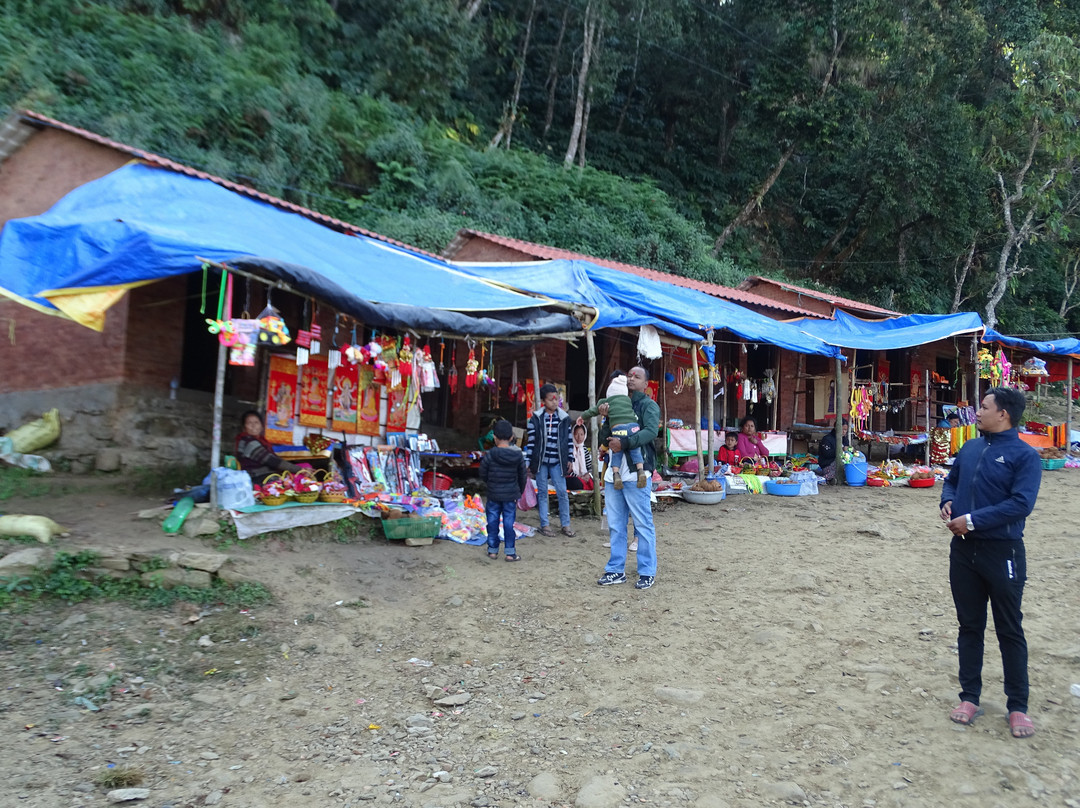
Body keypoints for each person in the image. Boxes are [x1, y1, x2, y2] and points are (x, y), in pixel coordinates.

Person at [940, 387, 1042, 738]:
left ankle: (1018, 706)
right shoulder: (970, 447)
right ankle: (969, 697)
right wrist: (948, 502)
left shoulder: (1025, 456)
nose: (977, 412)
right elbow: (951, 482)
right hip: (964, 552)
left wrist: (972, 520)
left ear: (1004, 414)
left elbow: (1021, 504)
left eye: (983, 407)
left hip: (1003, 552)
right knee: (969, 626)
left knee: (1009, 628)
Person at [596, 365, 659, 590]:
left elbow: (651, 432)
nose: (631, 378)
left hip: (637, 472)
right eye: (629, 375)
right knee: (615, 524)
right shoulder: (615, 403)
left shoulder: (649, 405)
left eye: (637, 376)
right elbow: (605, 438)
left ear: (645, 384)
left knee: (642, 524)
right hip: (614, 474)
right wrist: (605, 419)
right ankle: (615, 570)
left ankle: (646, 571)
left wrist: (625, 443)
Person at [523, 384, 576, 537]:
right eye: (551, 399)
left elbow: (569, 440)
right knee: (542, 493)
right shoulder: (536, 418)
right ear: (543, 401)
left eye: (556, 399)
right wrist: (528, 462)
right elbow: (531, 442)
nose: (554, 402)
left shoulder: (564, 418)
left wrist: (570, 458)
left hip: (557, 462)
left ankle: (565, 525)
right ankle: (545, 525)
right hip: (541, 462)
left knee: (562, 493)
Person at [577, 374, 646, 489]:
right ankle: (640, 470)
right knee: (635, 449)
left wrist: (582, 417)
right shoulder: (628, 400)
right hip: (634, 427)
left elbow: (593, 411)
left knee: (616, 450)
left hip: (619, 429)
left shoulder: (606, 402)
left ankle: (616, 474)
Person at [478, 419, 527, 562]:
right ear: (512, 437)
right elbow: (522, 476)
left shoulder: (491, 454)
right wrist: (519, 491)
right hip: (510, 495)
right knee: (508, 523)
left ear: (494, 437)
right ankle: (510, 553)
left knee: (492, 522)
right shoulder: (518, 455)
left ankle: (492, 551)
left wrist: (491, 483)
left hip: (493, 494)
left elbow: (482, 472)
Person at [235, 411, 302, 483]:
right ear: (244, 428)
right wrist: (300, 470)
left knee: (304, 468)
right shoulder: (249, 442)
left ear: (261, 426)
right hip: (257, 478)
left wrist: (299, 469)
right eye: (249, 423)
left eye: (256, 422)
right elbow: (272, 461)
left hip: (265, 475)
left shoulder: (261, 440)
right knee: (297, 479)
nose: (253, 426)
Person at [565, 423, 594, 491]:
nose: (579, 437)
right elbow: (566, 469)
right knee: (576, 483)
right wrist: (579, 477)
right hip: (572, 477)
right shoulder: (568, 449)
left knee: (595, 481)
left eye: (581, 434)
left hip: (583, 477)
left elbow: (590, 467)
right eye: (576, 434)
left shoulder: (584, 449)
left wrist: (588, 475)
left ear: (585, 435)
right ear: (572, 434)